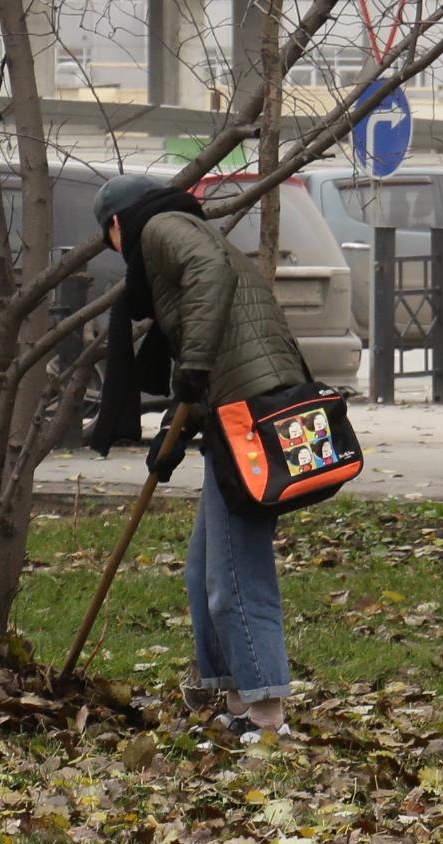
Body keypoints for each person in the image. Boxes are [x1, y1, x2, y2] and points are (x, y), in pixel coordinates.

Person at [89, 173, 316, 744]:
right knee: (203, 573)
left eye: (107, 239)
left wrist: (191, 366)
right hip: (234, 406)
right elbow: (211, 329)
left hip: (251, 410)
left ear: (117, 224)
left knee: (236, 573)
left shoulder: (162, 228)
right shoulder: (181, 228)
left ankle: (267, 716)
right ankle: (238, 700)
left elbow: (207, 289)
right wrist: (176, 425)